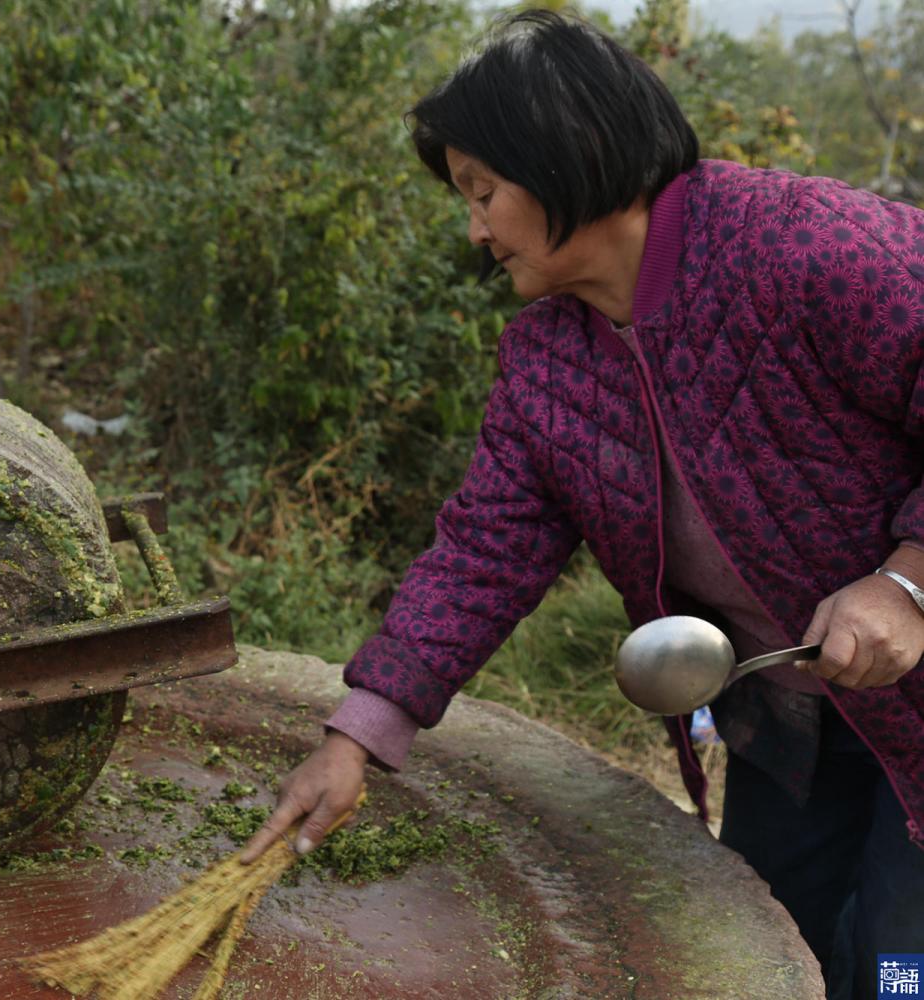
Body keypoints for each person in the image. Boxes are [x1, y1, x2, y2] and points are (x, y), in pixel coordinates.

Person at [239, 9, 924, 997]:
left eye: (483, 191)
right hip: (795, 726)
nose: (473, 228)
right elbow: (484, 550)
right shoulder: (549, 361)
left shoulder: (806, 251)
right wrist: (357, 736)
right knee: (782, 951)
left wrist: (905, 582)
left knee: (899, 966)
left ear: (567, 155)